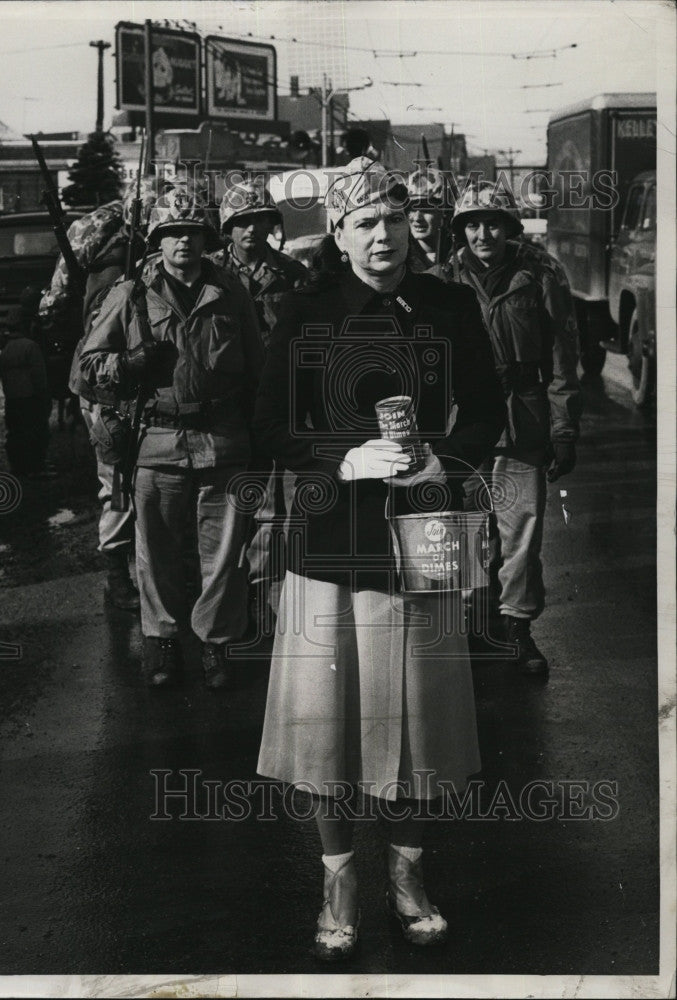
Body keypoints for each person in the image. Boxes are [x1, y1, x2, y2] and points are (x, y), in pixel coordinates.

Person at [253, 157, 505, 959]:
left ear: (412, 225)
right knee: (326, 730)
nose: (384, 235)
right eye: (363, 222)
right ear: (337, 233)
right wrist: (338, 459)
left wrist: (445, 460)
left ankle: (406, 877)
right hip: (332, 542)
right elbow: (269, 427)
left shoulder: (450, 303)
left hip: (422, 536)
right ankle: (337, 880)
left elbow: (489, 409)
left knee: (416, 726)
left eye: (394, 219)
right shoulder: (306, 309)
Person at [79, 181, 265, 691]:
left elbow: (257, 370)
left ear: (206, 240)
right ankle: (160, 640)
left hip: (224, 440)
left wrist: (261, 434)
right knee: (155, 551)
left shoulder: (231, 293)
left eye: (191, 232)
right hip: (157, 441)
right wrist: (128, 363)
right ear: (158, 241)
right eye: (171, 233)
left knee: (224, 554)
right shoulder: (130, 294)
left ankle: (217, 644)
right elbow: (85, 368)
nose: (183, 242)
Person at [436, 181, 582, 675]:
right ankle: (473, 626)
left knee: (521, 531)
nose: (483, 234)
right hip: (464, 421)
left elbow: (564, 356)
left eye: (493, 222)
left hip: (524, 419)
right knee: (468, 531)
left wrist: (564, 430)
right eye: (472, 224)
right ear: (460, 230)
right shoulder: (440, 277)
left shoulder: (539, 272)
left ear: (510, 227)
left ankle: (517, 626)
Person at [38, 181, 148, 611]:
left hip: (156, 370)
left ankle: (157, 573)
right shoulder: (97, 232)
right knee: (118, 480)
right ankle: (118, 575)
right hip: (104, 379)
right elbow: (56, 305)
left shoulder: (175, 236)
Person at [208, 179, 308, 635]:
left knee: (272, 512)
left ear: (271, 224)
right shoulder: (206, 274)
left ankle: (261, 597)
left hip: (274, 407)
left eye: (258, 220)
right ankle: (220, 605)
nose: (250, 229)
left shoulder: (291, 275)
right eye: (241, 221)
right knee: (222, 514)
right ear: (227, 227)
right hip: (223, 411)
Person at [1, 287, 52, 478]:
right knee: (35, 431)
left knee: (15, 433)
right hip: (31, 397)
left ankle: (18, 466)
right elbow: (39, 375)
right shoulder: (30, 347)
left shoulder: (7, 349)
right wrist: (43, 393)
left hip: (13, 399)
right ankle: (36, 465)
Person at [405, 165, 452, 272]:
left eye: (426, 209)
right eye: (412, 209)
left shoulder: (461, 257)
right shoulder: (399, 258)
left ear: (445, 212)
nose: (417, 218)